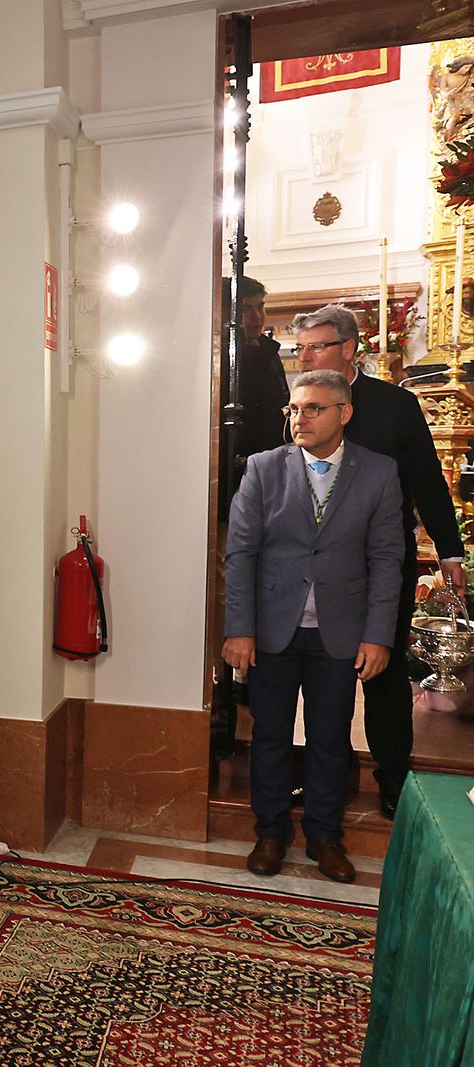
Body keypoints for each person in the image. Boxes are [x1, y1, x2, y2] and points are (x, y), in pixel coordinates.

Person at [223, 370, 403, 883]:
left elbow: (387, 558)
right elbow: (241, 553)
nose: (299, 418)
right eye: (294, 409)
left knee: (329, 738)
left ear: (343, 414)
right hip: (273, 630)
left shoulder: (379, 472)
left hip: (340, 632)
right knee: (271, 735)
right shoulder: (262, 469)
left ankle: (324, 836)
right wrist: (240, 628)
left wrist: (377, 634)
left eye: (313, 409)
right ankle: (271, 833)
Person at [294, 304, 464, 818]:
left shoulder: (395, 405)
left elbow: (428, 481)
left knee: (383, 676)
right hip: (318, 566)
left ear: (349, 349)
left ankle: (392, 777)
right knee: (325, 676)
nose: (305, 358)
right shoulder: (297, 405)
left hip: (382, 563)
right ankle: (332, 772)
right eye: (299, 348)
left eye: (316, 346)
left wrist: (450, 549)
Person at [233, 276, 290, 461]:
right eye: (245, 309)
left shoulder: (270, 351)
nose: (257, 317)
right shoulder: (226, 357)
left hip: (274, 454)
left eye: (260, 306)